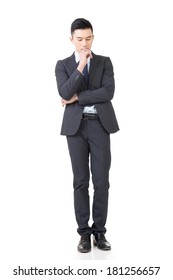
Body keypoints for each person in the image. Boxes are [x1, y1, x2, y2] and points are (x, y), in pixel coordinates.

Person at [55, 18, 119, 253]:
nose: (85, 43)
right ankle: (84, 234)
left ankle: (99, 232)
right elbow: (64, 91)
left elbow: (108, 92)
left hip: (100, 126)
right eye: (80, 39)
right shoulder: (62, 65)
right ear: (71, 39)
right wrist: (81, 66)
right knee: (80, 182)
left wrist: (79, 98)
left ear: (93, 37)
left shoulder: (104, 62)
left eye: (89, 38)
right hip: (76, 129)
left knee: (101, 182)